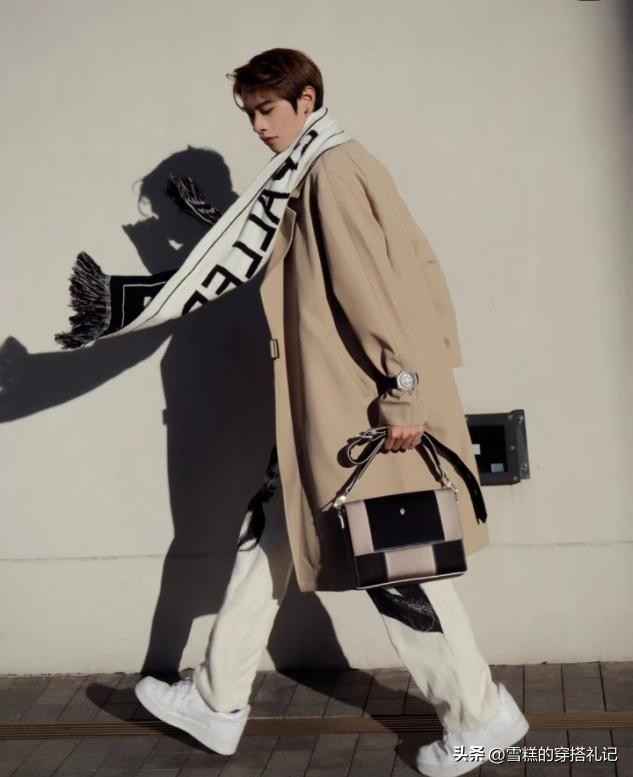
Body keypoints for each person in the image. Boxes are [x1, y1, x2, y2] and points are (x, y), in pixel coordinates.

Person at [133, 49, 529, 776]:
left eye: (267, 110)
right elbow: (420, 267)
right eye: (249, 114)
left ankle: (479, 715)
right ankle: (218, 698)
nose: (259, 127)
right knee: (271, 534)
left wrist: (403, 390)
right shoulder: (316, 170)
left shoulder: (330, 171)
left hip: (361, 414)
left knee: (396, 564)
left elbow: (374, 290)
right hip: (326, 413)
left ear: (307, 99)